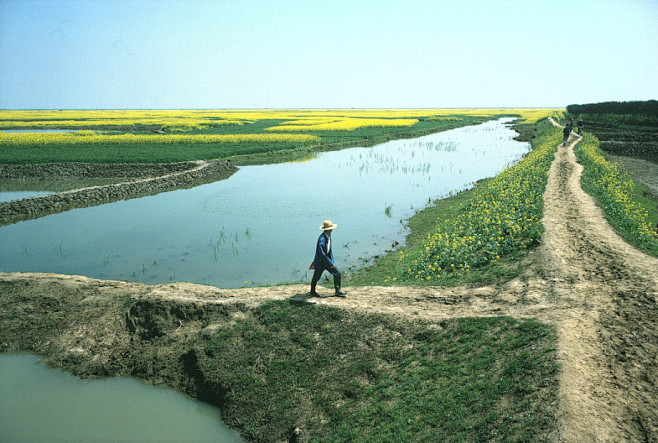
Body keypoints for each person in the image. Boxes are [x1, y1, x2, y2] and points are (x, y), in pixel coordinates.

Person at [309, 220, 347, 297]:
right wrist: (330, 263)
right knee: (316, 277)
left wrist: (332, 262)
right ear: (330, 229)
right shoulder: (322, 239)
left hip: (326, 261)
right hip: (321, 262)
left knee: (337, 274)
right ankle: (312, 291)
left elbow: (329, 251)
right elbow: (322, 254)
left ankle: (338, 291)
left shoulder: (328, 236)